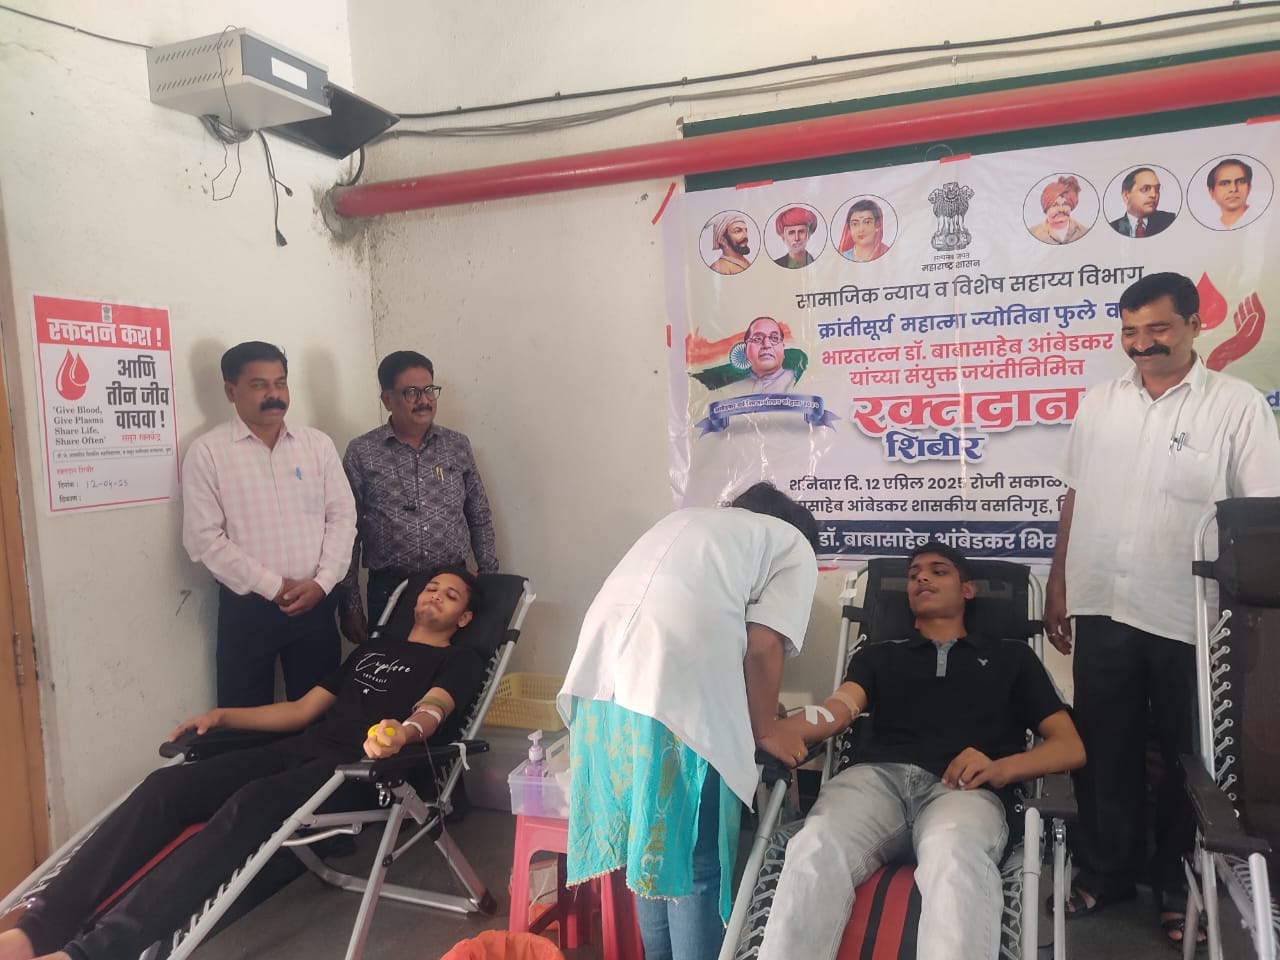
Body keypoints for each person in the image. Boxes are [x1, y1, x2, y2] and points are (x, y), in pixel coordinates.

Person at [0, 567, 487, 960]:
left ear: (464, 617)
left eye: (451, 595)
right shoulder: (373, 650)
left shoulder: (460, 659)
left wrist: (402, 733)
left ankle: (93, 953)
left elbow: (434, 710)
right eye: (431, 588)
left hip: (362, 771)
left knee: (252, 804)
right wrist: (223, 715)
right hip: (302, 749)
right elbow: (300, 710)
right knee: (164, 788)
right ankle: (34, 930)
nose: (435, 596)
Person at [1044, 271, 1280, 948]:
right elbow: (1074, 495)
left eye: (1158, 329)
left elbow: (1258, 516)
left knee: (1186, 758)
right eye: (1130, 331)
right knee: (1102, 749)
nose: (1142, 344)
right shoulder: (1100, 404)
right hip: (1102, 604)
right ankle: (1106, 872)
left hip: (1193, 617)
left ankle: (1181, 888)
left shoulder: (1235, 406)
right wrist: (1059, 582)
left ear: (1195, 325)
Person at [755, 542, 1083, 960]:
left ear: (968, 590)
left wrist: (1002, 768)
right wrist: (774, 729)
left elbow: (1070, 747)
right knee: (816, 845)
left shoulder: (1011, 657)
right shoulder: (879, 656)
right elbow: (837, 711)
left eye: (938, 571)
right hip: (875, 782)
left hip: (964, 791)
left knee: (954, 856)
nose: (921, 578)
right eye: (913, 575)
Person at [557, 483, 820, 960]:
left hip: (600, 688)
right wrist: (765, 729)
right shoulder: (792, 543)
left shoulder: (687, 522)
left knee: (649, 849)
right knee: (695, 862)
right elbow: (763, 645)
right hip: (673, 696)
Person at [182, 341, 357, 708]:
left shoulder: (317, 445)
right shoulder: (208, 452)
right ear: (231, 391)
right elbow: (204, 538)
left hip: (316, 603)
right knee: (244, 718)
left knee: (319, 716)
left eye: (280, 383)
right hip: (249, 609)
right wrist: (274, 587)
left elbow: (342, 515)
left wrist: (323, 582)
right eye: (259, 385)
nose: (274, 394)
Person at [339, 351, 497, 645]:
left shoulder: (457, 445)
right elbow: (347, 531)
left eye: (429, 390)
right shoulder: (362, 452)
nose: (424, 400)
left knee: (450, 668)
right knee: (389, 668)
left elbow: (478, 514)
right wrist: (350, 604)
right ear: (388, 399)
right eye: (411, 392)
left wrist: (489, 580)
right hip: (389, 589)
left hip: (452, 588)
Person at [1108, 167, 1177, 238]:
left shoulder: (1170, 221)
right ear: (1126, 196)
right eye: (1145, 189)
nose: (1153, 195)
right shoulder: (1112, 228)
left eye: (1157, 189)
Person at [738, 316, 797, 393]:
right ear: (745, 350)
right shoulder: (732, 388)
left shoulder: (797, 381)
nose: (766, 345)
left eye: (775, 338)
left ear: (783, 348)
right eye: (757, 339)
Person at [1029, 175, 1090, 245]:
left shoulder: (1083, 231)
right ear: (1046, 208)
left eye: (1065, 204)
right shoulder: (1033, 233)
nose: (1061, 209)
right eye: (1055, 205)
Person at [1205, 157, 1254, 229]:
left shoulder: (1262, 220)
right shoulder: (1211, 226)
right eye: (1224, 183)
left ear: (1249, 188)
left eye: (1240, 182)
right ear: (1212, 192)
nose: (1233, 189)